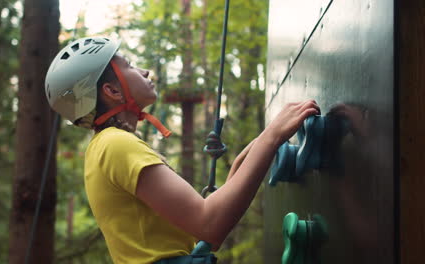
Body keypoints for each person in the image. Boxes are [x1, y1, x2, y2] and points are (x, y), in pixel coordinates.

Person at [45, 36, 320, 264]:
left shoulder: (102, 147)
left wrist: (264, 141)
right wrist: (271, 138)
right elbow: (210, 223)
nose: (145, 71)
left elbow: (208, 224)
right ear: (112, 91)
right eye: (129, 66)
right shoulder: (117, 144)